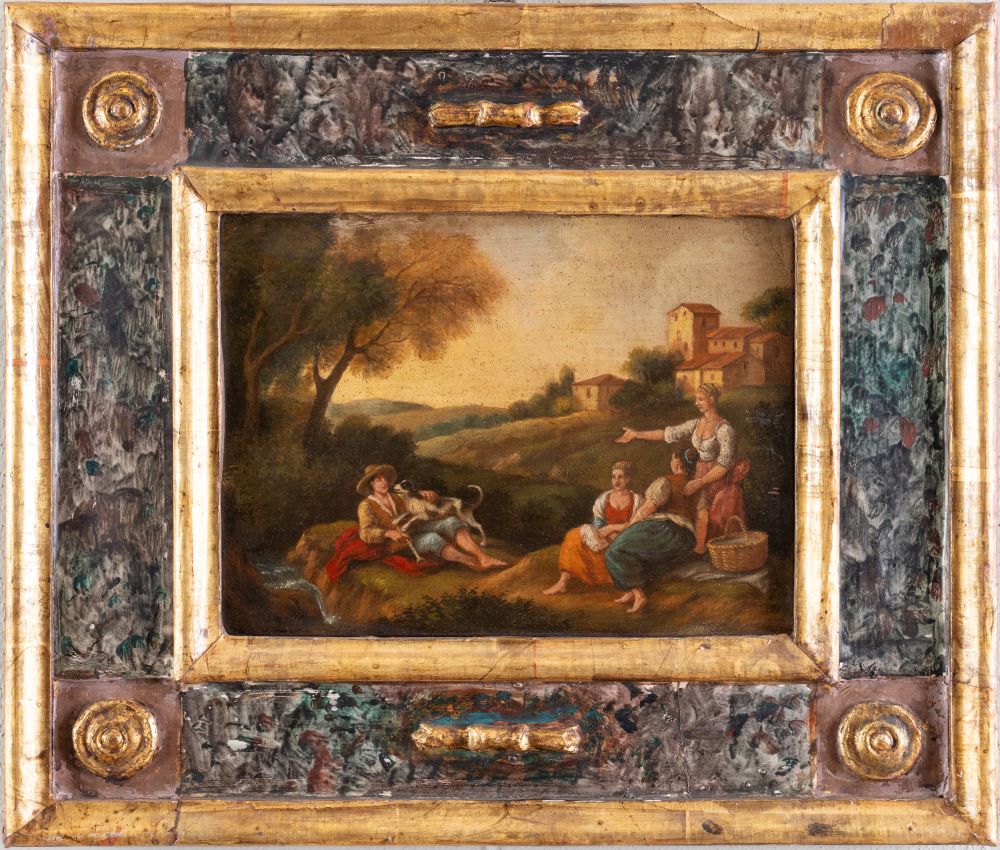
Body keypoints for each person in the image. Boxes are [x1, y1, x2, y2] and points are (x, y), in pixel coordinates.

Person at [616, 382, 746, 554]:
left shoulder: (725, 429)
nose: (696, 403)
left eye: (700, 399)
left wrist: (700, 481)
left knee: (715, 520)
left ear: (712, 400)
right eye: (696, 399)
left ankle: (712, 554)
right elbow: (667, 434)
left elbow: (724, 464)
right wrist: (637, 434)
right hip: (698, 474)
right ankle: (695, 549)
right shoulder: (696, 424)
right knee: (695, 513)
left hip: (718, 480)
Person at [356, 463, 506, 570]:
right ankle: (474, 563)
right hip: (399, 543)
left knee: (451, 521)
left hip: (414, 528)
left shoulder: (397, 496)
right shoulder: (366, 505)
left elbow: (414, 496)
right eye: (378, 480)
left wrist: (425, 493)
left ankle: (484, 557)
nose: (384, 482)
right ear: (371, 484)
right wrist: (388, 533)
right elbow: (365, 532)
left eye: (385, 479)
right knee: (432, 538)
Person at [603, 452, 697, 613]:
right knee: (638, 553)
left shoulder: (665, 481)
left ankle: (638, 595)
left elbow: (645, 511)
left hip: (665, 529)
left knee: (614, 551)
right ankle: (629, 591)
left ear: (677, 462)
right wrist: (697, 547)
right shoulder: (697, 485)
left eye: (672, 459)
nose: (671, 462)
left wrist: (627, 527)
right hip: (686, 539)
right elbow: (703, 517)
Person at [543, 460, 646, 595]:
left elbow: (639, 524)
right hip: (605, 538)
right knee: (573, 536)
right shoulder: (604, 498)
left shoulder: (638, 500)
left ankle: (628, 586)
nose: (616, 481)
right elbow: (598, 522)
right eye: (613, 477)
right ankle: (562, 582)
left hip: (626, 540)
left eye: (620, 477)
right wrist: (604, 533)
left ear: (628, 479)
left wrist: (615, 528)